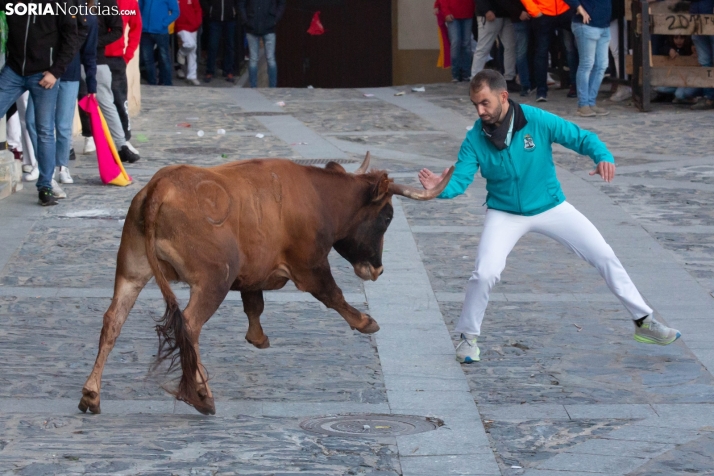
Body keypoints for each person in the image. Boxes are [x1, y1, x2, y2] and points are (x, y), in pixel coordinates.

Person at [417, 70, 681, 364]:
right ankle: (468, 339)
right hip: (504, 212)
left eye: (485, 103)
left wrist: (603, 156)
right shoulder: (474, 139)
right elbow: (460, 179)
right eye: (475, 105)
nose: (480, 111)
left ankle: (644, 321)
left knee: (604, 254)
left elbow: (580, 137)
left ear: (503, 97)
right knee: (484, 273)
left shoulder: (536, 120)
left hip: (551, 206)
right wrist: (438, 189)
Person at [0, 0, 80, 205]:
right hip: (14, 70)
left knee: (44, 130)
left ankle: (45, 186)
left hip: (44, 74)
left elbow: (72, 38)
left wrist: (55, 72)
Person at [26, 1, 97, 195]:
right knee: (33, 121)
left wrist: (91, 84)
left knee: (63, 125)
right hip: (42, 74)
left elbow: (89, 53)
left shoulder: (86, 16)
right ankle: (42, 165)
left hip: (68, 75)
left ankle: (62, 167)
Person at [521, 0, 579, 101]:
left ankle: (576, 85)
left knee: (572, 50)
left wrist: (576, 6)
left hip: (566, 10)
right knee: (541, 53)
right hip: (544, 12)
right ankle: (541, 90)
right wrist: (534, 11)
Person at [104, 0, 142, 145]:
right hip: (93, 55)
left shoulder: (128, 2)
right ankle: (90, 135)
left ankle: (124, 138)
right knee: (87, 97)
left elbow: (136, 27)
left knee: (119, 99)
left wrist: (128, 54)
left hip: (116, 58)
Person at [565, 0, 611, 116]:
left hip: (603, 25)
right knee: (587, 64)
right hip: (586, 24)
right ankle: (583, 104)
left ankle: (590, 102)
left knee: (601, 65)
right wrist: (579, 8)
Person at [470, 0, 523, 90]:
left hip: (506, 13)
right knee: (483, 48)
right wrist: (485, 10)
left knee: (510, 47)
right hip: (492, 13)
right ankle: (474, 80)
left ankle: (509, 78)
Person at [238, 0, 286, 87]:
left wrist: (275, 19)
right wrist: (245, 20)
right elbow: (241, 4)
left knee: (259, 59)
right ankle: (268, 88)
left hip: (261, 24)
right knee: (265, 59)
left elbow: (282, 3)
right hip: (258, 25)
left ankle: (265, 88)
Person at [139, 0, 179, 86]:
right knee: (148, 59)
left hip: (161, 32)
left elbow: (176, 12)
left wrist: (164, 23)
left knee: (164, 58)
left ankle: (167, 83)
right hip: (146, 31)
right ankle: (152, 83)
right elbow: (140, 7)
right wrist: (141, 21)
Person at [654, 35, 701, 104]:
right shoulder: (672, 47)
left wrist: (692, 57)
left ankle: (691, 96)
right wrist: (669, 50)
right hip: (677, 80)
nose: (679, 41)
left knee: (679, 94)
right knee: (659, 88)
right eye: (675, 38)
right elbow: (662, 48)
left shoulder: (690, 47)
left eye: (682, 38)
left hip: (689, 80)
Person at [204, 0, 239, 83]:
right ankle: (210, 71)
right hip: (215, 19)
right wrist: (210, 11)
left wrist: (235, 10)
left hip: (230, 19)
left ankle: (228, 71)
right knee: (213, 45)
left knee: (230, 45)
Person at [689, 0, 714, 110]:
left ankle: (709, 97)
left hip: (709, 14)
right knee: (704, 61)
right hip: (696, 18)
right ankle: (709, 97)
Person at [176, 0, 203, 85]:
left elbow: (197, 10)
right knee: (191, 45)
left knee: (193, 52)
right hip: (181, 27)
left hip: (193, 27)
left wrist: (197, 23)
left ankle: (192, 76)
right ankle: (181, 53)